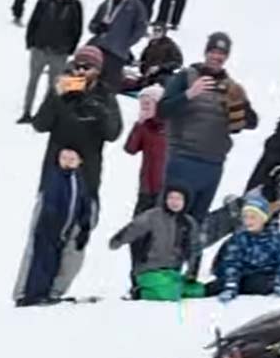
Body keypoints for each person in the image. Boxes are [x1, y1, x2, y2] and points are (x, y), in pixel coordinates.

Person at [158, 31, 258, 226]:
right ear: (206, 53)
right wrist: (189, 94)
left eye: (221, 53)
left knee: (195, 224)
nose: (216, 57)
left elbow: (251, 123)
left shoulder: (231, 87)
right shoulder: (186, 77)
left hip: (213, 164)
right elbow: (162, 111)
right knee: (169, 221)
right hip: (182, 158)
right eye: (213, 51)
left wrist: (240, 105)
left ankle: (189, 256)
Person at [33, 45, 122, 206]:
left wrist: (99, 109)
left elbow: (113, 133)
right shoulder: (62, 89)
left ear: (97, 70)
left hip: (86, 170)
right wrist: (54, 97)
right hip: (56, 166)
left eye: (87, 67)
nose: (81, 71)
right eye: (77, 66)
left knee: (82, 220)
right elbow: (40, 125)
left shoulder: (105, 95)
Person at [13, 147, 96, 306]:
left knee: (56, 262)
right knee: (42, 261)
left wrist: (84, 226)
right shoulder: (56, 177)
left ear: (79, 162)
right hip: (49, 228)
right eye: (64, 158)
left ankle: (46, 292)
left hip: (65, 229)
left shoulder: (78, 180)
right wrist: (50, 226)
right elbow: (50, 204)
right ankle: (32, 294)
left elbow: (84, 203)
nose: (67, 162)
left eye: (72, 159)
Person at [108, 185, 202, 300]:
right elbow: (134, 228)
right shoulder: (153, 216)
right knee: (169, 293)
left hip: (171, 272)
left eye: (178, 199)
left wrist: (192, 272)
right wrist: (117, 240)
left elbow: (195, 249)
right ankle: (139, 292)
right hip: (148, 270)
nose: (174, 202)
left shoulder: (188, 222)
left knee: (197, 290)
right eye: (171, 198)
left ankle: (176, 288)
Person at [19, 0, 82, 124]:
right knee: (32, 81)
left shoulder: (74, 5)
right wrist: (31, 41)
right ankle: (26, 112)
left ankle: (44, 115)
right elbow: (34, 20)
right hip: (40, 48)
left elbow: (77, 29)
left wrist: (69, 48)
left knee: (54, 86)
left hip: (59, 52)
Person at [214, 191, 280, 300]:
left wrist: (278, 283)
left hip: (263, 277)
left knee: (260, 284)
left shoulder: (275, 238)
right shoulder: (239, 237)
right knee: (215, 287)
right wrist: (230, 285)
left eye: (253, 217)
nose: (248, 221)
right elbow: (232, 262)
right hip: (240, 276)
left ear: (263, 218)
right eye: (245, 217)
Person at [87, 0, 148, 92]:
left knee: (108, 87)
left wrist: (126, 43)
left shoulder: (134, 4)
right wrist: (98, 28)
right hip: (99, 49)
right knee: (90, 82)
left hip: (117, 53)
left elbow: (141, 27)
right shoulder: (106, 3)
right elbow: (92, 25)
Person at [124, 84, 168, 215]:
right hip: (147, 186)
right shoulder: (144, 127)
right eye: (142, 103)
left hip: (167, 186)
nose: (144, 106)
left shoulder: (173, 125)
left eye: (148, 103)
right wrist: (138, 125)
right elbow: (130, 149)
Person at [134, 20, 183, 90]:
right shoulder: (151, 44)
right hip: (148, 76)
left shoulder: (170, 45)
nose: (156, 32)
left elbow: (178, 62)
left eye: (159, 30)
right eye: (154, 30)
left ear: (164, 32)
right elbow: (143, 59)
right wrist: (140, 64)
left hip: (162, 76)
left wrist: (160, 67)